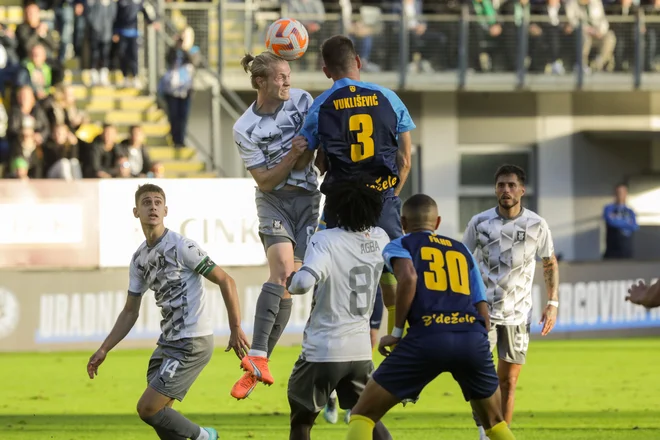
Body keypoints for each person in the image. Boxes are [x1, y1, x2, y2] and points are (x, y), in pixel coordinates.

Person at [86, 184, 250, 440]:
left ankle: (206, 436)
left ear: (165, 210)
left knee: (147, 408)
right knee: (163, 419)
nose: (152, 206)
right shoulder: (139, 259)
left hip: (192, 341)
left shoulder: (182, 246)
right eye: (146, 202)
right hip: (167, 344)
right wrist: (104, 348)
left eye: (157, 202)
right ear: (136, 212)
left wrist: (235, 327)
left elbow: (226, 280)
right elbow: (130, 311)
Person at [345, 194, 516, 440]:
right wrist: (478, 346)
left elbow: (409, 278)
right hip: (471, 337)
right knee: (495, 423)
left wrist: (396, 333)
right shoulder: (462, 250)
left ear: (403, 222)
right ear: (437, 223)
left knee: (362, 414)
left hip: (428, 337)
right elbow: (481, 305)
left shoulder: (400, 245)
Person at [298, 33, 416, 366]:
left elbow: (308, 159)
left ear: (326, 71)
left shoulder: (321, 105)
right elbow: (405, 159)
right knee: (395, 271)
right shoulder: (389, 99)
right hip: (382, 199)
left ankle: (321, 348)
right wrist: (391, 193)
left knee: (324, 270)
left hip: (339, 202)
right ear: (358, 62)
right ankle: (398, 338)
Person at [231, 51, 321, 400]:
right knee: (282, 270)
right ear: (260, 83)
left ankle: (259, 362)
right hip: (274, 200)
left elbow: (313, 148)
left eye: (288, 74)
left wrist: (305, 153)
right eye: (280, 77)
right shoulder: (244, 127)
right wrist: (292, 155)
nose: (288, 82)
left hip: (309, 200)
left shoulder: (302, 100)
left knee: (292, 284)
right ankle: (257, 353)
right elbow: (265, 182)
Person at [286, 179, 392, 440]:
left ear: (337, 209)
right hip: (359, 351)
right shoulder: (380, 238)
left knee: (302, 422)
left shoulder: (325, 240)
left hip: (323, 349)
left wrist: (290, 279)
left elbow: (302, 284)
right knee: (367, 417)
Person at [462, 164, 558, 440]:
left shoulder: (537, 225)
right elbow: (462, 260)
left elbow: (549, 262)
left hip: (518, 314)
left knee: (509, 381)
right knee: (481, 378)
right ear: (495, 189)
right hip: (482, 313)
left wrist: (553, 302)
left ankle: (501, 434)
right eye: (501, 185)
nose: (506, 190)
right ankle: (484, 430)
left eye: (511, 185)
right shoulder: (479, 222)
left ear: (522, 190)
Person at [603, 183, 638, 260]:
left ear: (626, 194)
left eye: (622, 192)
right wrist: (626, 222)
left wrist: (618, 220)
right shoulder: (609, 208)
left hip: (626, 250)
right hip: (612, 250)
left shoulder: (630, 211)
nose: (620, 195)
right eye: (618, 193)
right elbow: (610, 222)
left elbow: (634, 226)